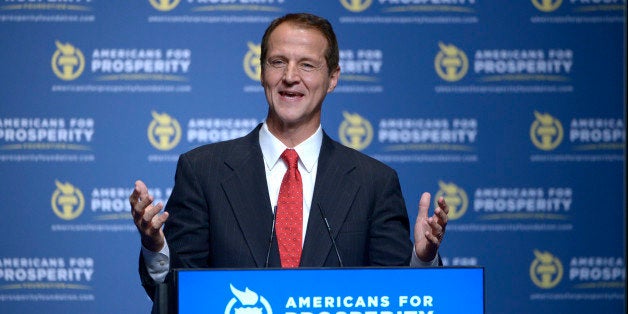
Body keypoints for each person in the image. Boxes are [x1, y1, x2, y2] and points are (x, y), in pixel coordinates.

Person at [130, 12, 449, 303]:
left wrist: (421, 261)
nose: (290, 76)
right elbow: (176, 294)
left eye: (307, 65)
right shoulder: (202, 171)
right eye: (278, 62)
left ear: (333, 78)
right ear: (262, 72)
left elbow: (395, 299)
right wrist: (157, 248)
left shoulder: (374, 182)